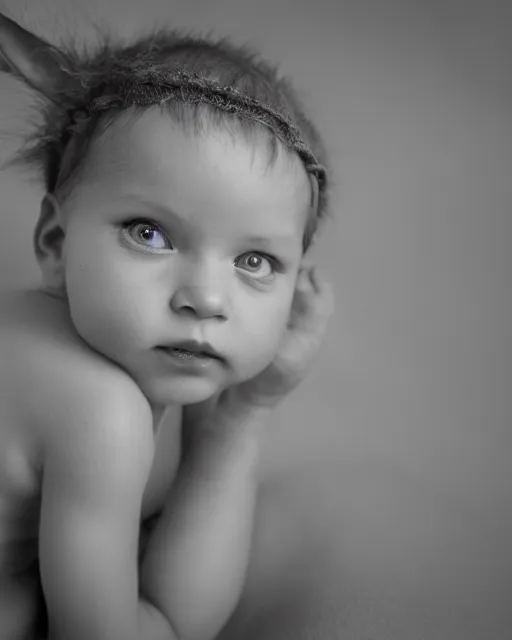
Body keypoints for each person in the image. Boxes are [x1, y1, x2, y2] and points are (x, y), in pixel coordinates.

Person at [0, 12, 335, 640]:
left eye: (254, 261)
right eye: (150, 234)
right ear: (54, 240)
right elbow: (165, 626)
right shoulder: (99, 408)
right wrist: (240, 422)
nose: (206, 298)